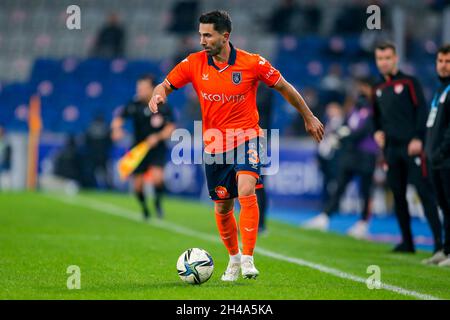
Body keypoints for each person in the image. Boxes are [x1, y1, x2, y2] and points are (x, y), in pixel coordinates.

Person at [149, 11, 324, 281]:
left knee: (246, 189)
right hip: (215, 144)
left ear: (225, 36)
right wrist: (158, 95)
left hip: (248, 137)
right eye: (200, 35)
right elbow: (165, 85)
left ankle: (248, 258)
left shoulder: (252, 63)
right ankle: (232, 259)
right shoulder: (194, 63)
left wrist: (308, 116)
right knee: (222, 207)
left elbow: (284, 87)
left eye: (207, 35)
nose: (202, 40)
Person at [372, 42, 443, 254]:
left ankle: (440, 243)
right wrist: (377, 133)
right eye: (380, 59)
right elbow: (376, 118)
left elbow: (421, 110)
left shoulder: (410, 82)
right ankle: (407, 242)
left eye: (387, 58)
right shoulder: (377, 89)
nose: (383, 62)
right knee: (398, 195)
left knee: (424, 192)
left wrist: (417, 138)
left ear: (395, 59)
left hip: (411, 147)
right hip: (391, 150)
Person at [303, 77, 379, 239]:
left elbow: (364, 130)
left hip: (367, 153)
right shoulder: (356, 107)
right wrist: (341, 134)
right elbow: (346, 124)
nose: (361, 91)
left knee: (365, 190)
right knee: (340, 186)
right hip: (351, 153)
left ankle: (364, 223)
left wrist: (345, 136)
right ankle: (325, 217)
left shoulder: (374, 108)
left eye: (364, 87)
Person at [111, 75, 176, 220]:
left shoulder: (163, 105)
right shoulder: (133, 104)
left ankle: (158, 204)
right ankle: (145, 208)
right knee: (138, 186)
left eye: (143, 88)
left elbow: (171, 127)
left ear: (153, 89)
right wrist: (117, 129)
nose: (139, 91)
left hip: (157, 148)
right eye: (138, 88)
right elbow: (118, 118)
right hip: (139, 148)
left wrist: (157, 137)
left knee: (157, 178)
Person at [423, 44, 450, 266]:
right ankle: (446, 249)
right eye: (440, 61)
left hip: (446, 159)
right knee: (444, 206)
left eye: (448, 62)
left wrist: (440, 152)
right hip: (436, 159)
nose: (443, 66)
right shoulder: (440, 90)